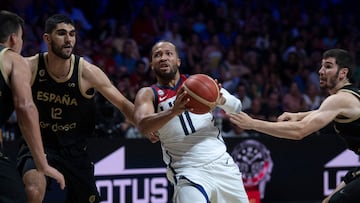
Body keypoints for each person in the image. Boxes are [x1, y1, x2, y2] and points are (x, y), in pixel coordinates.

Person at [16, 14, 135, 203]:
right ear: (47, 38)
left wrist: (147, 125)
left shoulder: (87, 71)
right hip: (39, 145)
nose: (68, 39)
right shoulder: (29, 67)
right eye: (61, 34)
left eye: (72, 34)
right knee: (33, 189)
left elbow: (123, 104)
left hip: (74, 149)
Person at [228, 48, 360, 203]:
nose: (321, 71)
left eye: (328, 66)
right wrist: (297, 115)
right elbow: (323, 112)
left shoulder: (339, 100)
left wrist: (252, 124)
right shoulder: (351, 94)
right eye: (322, 66)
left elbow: (300, 131)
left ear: (343, 73)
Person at [133, 40, 249, 203]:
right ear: (152, 64)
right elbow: (143, 125)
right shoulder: (149, 93)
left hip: (222, 164)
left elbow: (237, 107)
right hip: (186, 170)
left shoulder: (201, 83)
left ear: (178, 61)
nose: (163, 58)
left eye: (169, 54)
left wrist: (220, 100)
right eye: (157, 55)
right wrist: (173, 111)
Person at [0, 10, 65, 202]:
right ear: (13, 39)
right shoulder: (12, 58)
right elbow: (25, 106)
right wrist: (41, 162)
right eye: (21, 38)